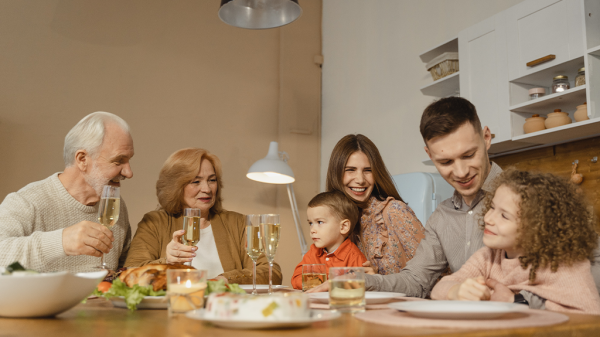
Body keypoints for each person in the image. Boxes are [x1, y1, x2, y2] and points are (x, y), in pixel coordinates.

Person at [350, 97, 600, 307]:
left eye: (468, 155)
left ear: (487, 138)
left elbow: (592, 265)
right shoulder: (441, 218)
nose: (460, 172)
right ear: (429, 155)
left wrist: (522, 299)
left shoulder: (529, 198)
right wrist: (361, 281)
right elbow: (417, 281)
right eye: (446, 162)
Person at [431, 169, 600, 314]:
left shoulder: (560, 263)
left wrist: (515, 301)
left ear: (537, 228)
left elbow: (589, 314)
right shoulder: (488, 257)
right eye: (491, 207)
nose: (488, 218)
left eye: (504, 215)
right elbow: (439, 289)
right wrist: (457, 291)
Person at [124, 148, 282, 285]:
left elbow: (271, 272)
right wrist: (167, 261)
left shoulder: (238, 223)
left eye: (212, 180)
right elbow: (131, 273)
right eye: (196, 181)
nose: (207, 189)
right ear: (176, 186)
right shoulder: (154, 223)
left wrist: (224, 280)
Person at [0, 112, 134, 272]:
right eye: (119, 160)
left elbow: (124, 272)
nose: (129, 172)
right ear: (82, 159)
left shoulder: (115, 207)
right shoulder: (27, 202)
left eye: (128, 160)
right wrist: (61, 241)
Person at [324, 134, 425, 275]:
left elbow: (435, 273)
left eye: (368, 170)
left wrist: (377, 280)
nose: (360, 180)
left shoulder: (395, 211)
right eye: (350, 170)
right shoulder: (338, 222)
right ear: (336, 173)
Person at [291, 191, 372, 290]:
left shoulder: (355, 258)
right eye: (311, 223)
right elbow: (296, 279)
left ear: (344, 226)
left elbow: (360, 288)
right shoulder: (314, 251)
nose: (312, 230)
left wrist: (325, 284)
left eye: (320, 222)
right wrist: (321, 284)